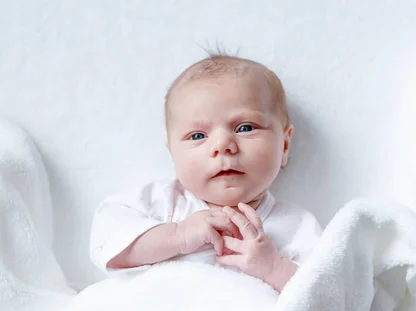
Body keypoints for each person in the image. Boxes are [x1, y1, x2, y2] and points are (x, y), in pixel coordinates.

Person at [90, 54, 322, 293]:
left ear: (284, 145)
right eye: (198, 136)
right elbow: (109, 239)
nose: (222, 145)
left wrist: (274, 268)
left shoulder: (297, 226)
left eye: (245, 128)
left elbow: (324, 299)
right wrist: (176, 236)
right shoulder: (164, 203)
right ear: (173, 153)